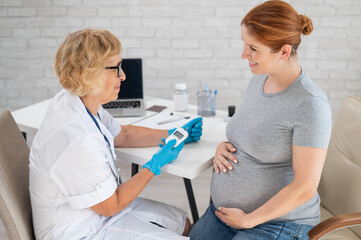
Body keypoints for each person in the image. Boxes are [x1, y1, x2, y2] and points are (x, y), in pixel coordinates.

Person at [29, 28, 203, 240]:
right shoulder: (76, 138)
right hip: (78, 230)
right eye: (116, 68)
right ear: (89, 74)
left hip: (95, 208)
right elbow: (110, 206)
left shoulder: (79, 101)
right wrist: (154, 165)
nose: (123, 75)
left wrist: (174, 133)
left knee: (180, 222)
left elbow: (124, 135)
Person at [188, 1, 332, 239]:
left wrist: (248, 220)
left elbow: (305, 187)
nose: (244, 54)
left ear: (284, 52)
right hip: (226, 215)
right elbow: (255, 133)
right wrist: (224, 147)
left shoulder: (311, 104)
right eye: (245, 44)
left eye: (253, 48)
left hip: (278, 223)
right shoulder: (260, 78)